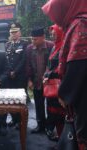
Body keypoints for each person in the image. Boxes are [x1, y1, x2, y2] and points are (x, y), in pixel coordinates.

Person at [42, 0, 87, 149]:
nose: (56, 20)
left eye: (56, 14)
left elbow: (78, 64)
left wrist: (64, 94)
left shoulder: (80, 24)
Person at [26, 28, 54, 133]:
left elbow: (54, 64)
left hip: (49, 83)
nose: (33, 41)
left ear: (43, 37)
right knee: (38, 105)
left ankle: (50, 128)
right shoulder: (29, 49)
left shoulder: (51, 46)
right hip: (36, 82)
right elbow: (28, 65)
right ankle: (40, 125)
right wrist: (29, 80)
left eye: (36, 39)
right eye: (32, 39)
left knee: (51, 106)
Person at [43, 24, 65, 141]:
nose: (53, 36)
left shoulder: (64, 46)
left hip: (60, 85)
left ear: (60, 33)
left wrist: (50, 74)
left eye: (55, 34)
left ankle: (63, 138)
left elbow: (63, 66)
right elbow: (49, 64)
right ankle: (58, 136)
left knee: (61, 114)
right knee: (52, 111)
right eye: (51, 34)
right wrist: (46, 74)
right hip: (51, 85)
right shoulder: (54, 47)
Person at [5, 23, 28, 128]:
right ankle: (14, 119)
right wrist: (10, 71)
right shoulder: (7, 45)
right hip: (10, 76)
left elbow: (24, 60)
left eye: (15, 32)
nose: (13, 34)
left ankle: (21, 121)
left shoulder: (25, 44)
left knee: (20, 100)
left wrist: (15, 71)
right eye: (12, 32)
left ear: (20, 33)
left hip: (20, 77)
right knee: (11, 99)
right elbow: (6, 60)